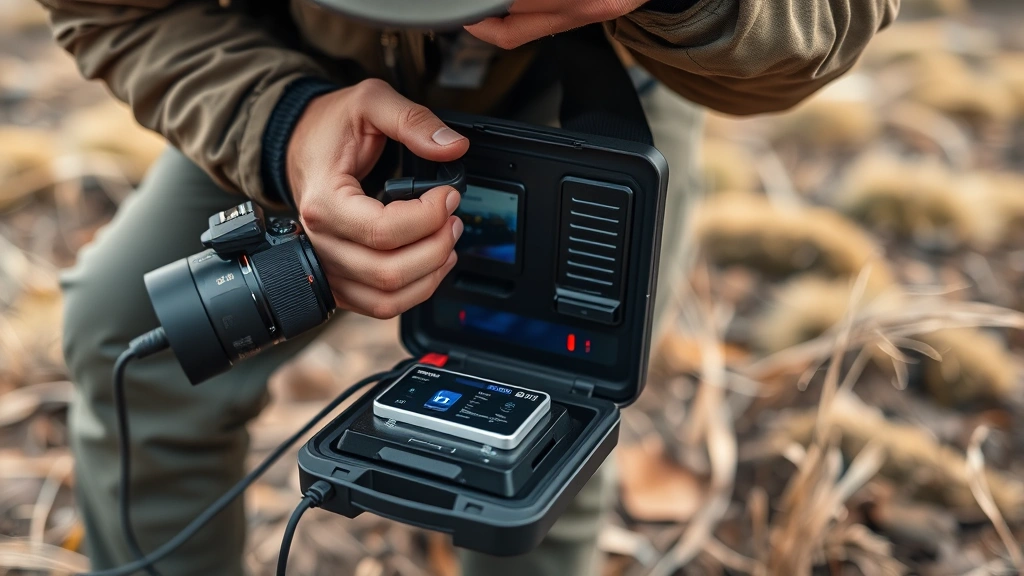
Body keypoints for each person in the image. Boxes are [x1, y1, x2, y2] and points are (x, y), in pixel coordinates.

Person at [39, 0, 899, 574]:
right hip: (296, 68)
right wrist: (281, 124)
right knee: (131, 332)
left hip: (607, 88)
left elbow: (830, 22)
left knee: (559, 408)